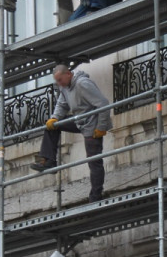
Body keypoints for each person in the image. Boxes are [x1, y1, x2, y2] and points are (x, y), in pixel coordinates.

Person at [33, 65, 112, 203]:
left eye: (60, 79)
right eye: (57, 81)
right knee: (52, 126)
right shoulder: (65, 87)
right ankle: (48, 161)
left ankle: (96, 196)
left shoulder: (82, 84)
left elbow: (103, 104)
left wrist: (101, 127)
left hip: (92, 125)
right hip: (79, 121)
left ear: (68, 74)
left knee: (94, 162)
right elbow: (62, 105)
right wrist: (54, 118)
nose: (59, 83)